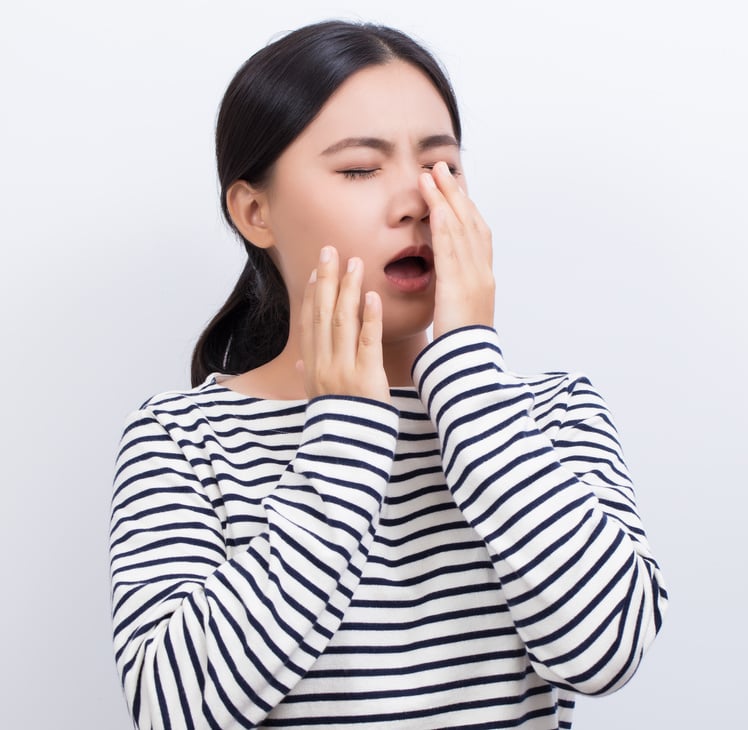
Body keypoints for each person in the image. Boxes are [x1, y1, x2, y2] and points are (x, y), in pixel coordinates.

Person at [109, 19, 666, 729]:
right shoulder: (180, 439)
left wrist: (467, 373)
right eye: (359, 169)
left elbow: (607, 653)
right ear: (255, 212)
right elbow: (175, 710)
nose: (418, 204)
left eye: (443, 167)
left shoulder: (550, 414)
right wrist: (345, 433)